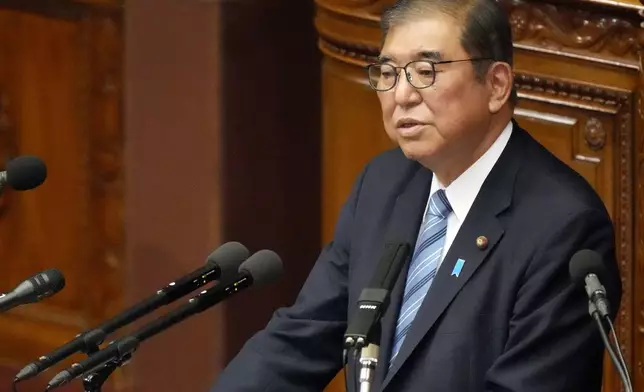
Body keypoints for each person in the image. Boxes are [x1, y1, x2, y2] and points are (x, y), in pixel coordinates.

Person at [210, 0, 622, 390]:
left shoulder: (563, 227)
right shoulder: (384, 183)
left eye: (425, 71)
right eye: (388, 74)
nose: (401, 96)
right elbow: (301, 339)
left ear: (496, 84)